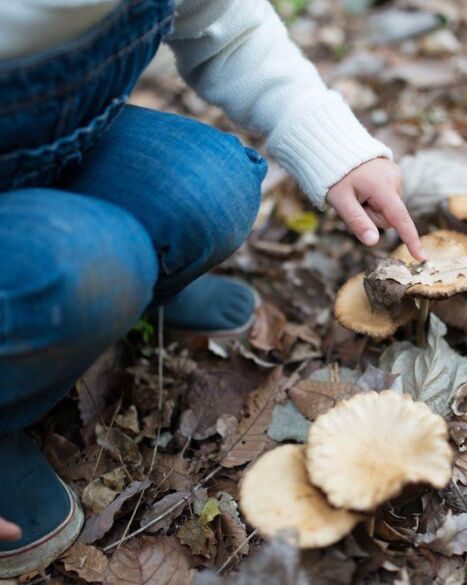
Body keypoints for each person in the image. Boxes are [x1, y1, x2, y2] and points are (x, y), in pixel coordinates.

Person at [0, 0, 425, 576]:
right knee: (94, 261)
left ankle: (134, 287)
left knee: (213, 185)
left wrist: (334, 145)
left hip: (55, 151)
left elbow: (226, 26)